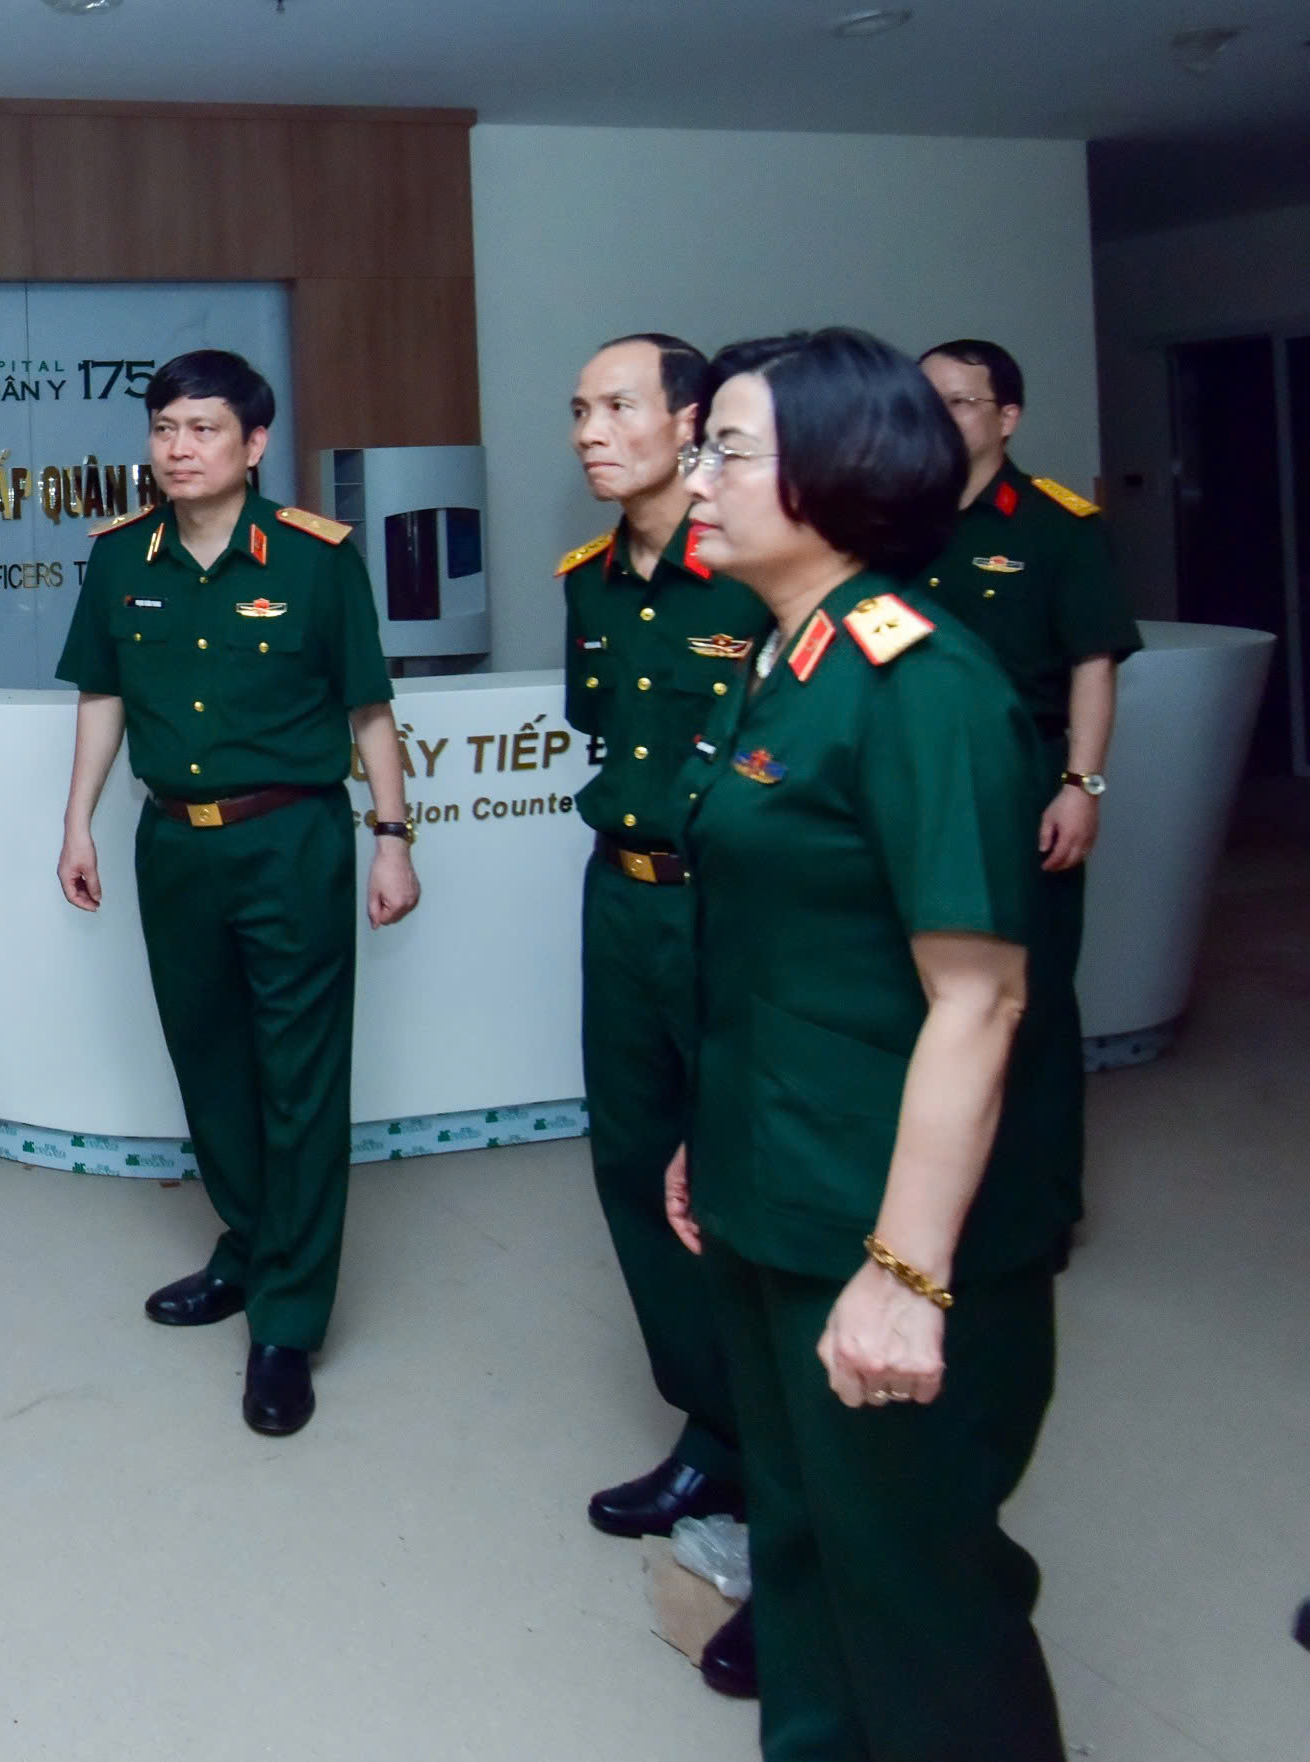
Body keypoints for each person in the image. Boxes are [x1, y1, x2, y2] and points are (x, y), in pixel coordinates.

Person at [667, 327, 1069, 1760]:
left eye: (724, 449)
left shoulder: (923, 683)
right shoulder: (784, 659)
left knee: (915, 1587)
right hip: (775, 1183)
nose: (693, 477)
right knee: (804, 1549)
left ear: (840, 474)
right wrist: (710, 1141)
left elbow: (979, 1000)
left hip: (881, 1215)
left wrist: (904, 1274)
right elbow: (782, 952)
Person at [53, 349, 419, 1437]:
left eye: (203, 428)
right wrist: (76, 821)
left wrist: (392, 840)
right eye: (165, 428)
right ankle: (252, 1245)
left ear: (254, 444)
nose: (179, 448)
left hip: (290, 839)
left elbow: (368, 710)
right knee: (209, 1061)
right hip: (174, 844)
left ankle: (287, 1320)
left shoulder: (314, 559)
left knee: (298, 1075)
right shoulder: (119, 557)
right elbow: (103, 696)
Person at [557, 332, 770, 1693]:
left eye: (618, 405)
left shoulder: (754, 564)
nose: (590, 430)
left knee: (749, 1183)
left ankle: (792, 1496)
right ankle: (715, 1433)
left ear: (691, 422)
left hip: (733, 904)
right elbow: (602, 727)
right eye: (579, 409)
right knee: (637, 1166)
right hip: (621, 895)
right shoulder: (590, 579)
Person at [919, 339, 1142, 1234]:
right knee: (928, 995)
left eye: (959, 402)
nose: (937, 419)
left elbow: (1094, 663)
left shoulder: (1056, 525)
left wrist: (1082, 785)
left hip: (1021, 789)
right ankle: (939, 1208)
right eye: (924, 401)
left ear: (1005, 417)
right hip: (915, 790)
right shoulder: (890, 521)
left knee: (1029, 1000)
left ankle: (1040, 1213)